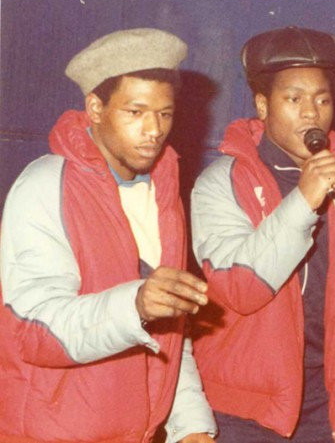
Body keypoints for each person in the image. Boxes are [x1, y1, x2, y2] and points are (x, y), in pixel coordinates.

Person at [190, 26, 335, 442]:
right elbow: (241, 289)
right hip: (240, 411)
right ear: (262, 105)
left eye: (322, 100)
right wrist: (303, 201)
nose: (311, 113)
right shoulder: (223, 182)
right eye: (294, 99)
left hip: (323, 401)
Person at [0, 28, 217, 442]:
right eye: (135, 112)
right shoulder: (45, 185)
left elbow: (169, 322)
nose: (153, 130)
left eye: (165, 114)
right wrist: (135, 304)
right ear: (95, 108)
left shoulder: (163, 189)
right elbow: (34, 331)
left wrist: (189, 423)